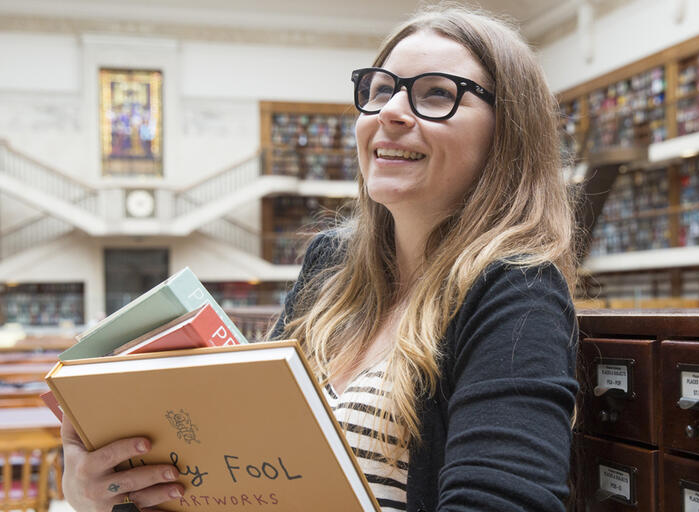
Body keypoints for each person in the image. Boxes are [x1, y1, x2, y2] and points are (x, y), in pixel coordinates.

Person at [61, 5, 578, 512]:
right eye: (380, 90)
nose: (391, 111)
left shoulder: (518, 291)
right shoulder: (330, 266)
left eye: (437, 94)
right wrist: (113, 496)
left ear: (508, 133)